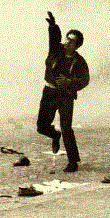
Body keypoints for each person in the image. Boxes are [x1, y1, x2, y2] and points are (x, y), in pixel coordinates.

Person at [37, 11, 90, 172]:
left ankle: (73, 162)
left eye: (71, 41)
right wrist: (53, 26)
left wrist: (70, 82)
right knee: (41, 127)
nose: (67, 42)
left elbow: (84, 80)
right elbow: (54, 38)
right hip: (49, 92)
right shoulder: (56, 50)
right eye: (67, 38)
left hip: (66, 95)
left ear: (77, 46)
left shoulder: (79, 61)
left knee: (66, 128)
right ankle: (54, 135)